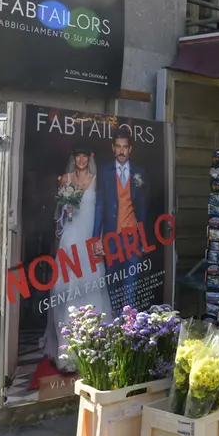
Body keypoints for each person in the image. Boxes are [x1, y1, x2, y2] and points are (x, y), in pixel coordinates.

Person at [44, 145, 114, 370]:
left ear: (89, 158)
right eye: (78, 156)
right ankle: (69, 350)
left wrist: (100, 239)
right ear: (74, 158)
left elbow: (101, 212)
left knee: (92, 285)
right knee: (69, 286)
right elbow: (59, 214)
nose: (82, 160)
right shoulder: (65, 179)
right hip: (71, 238)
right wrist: (67, 209)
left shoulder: (96, 179)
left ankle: (95, 347)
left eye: (85, 156)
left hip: (89, 239)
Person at [93, 127, 149, 314]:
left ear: (130, 149)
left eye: (125, 147)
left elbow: (143, 208)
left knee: (130, 286)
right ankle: (117, 325)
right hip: (112, 238)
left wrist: (143, 239)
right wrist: (96, 239)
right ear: (113, 148)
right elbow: (100, 205)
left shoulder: (139, 172)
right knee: (113, 285)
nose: (122, 151)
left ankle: (128, 327)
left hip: (133, 238)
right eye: (118, 147)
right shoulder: (104, 172)